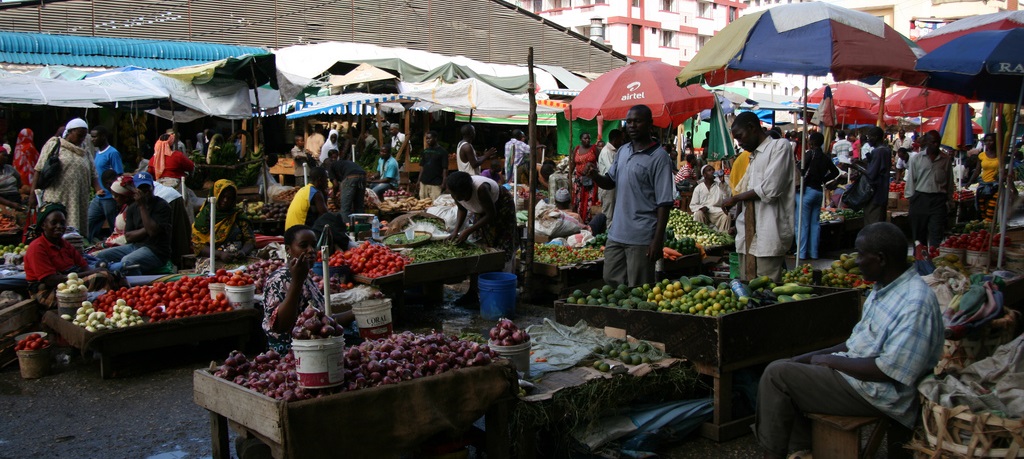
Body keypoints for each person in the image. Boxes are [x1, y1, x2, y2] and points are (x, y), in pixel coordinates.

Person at [755, 222, 943, 459]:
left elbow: (888, 371)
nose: (856, 261)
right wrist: (807, 359)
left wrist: (829, 361)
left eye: (861, 255)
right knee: (786, 366)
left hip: (880, 393)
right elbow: (856, 342)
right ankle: (800, 451)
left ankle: (777, 453)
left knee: (776, 375)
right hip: (857, 376)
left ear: (881, 259)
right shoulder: (882, 287)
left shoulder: (916, 302)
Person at [585, 105, 674, 287]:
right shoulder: (623, 151)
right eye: (629, 121)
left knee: (639, 287)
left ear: (650, 124)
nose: (632, 125)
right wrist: (595, 176)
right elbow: (610, 181)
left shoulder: (660, 158)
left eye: (637, 121)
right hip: (617, 233)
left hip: (642, 236)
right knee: (611, 280)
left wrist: (657, 241)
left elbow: (664, 203)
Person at [722, 111, 795, 281]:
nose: (740, 143)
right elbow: (743, 190)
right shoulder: (752, 156)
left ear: (752, 128)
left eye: (740, 137)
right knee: (746, 286)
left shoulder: (780, 147)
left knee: (767, 290)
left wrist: (735, 199)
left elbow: (770, 189)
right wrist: (736, 215)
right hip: (746, 233)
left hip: (769, 232)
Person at [262, 225, 354, 352]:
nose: (311, 250)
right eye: (303, 245)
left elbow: (323, 320)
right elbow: (281, 326)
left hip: (317, 345)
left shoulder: (306, 275)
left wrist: (357, 311)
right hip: (292, 353)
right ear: (288, 250)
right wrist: (297, 282)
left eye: (313, 245)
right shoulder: (280, 279)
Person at [24, 203, 116, 309]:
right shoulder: (37, 247)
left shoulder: (64, 244)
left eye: (62, 223)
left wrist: (92, 272)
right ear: (43, 225)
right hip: (48, 292)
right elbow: (50, 280)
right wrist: (92, 273)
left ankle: (106, 306)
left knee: (113, 276)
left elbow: (83, 266)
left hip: (69, 283)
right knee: (101, 277)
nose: (59, 226)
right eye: (54, 223)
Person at [446, 171, 518, 302]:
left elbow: (491, 215)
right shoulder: (456, 192)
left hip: (500, 207)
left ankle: (499, 288)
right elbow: (462, 209)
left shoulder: (481, 189)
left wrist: (467, 231)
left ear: (467, 190)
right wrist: (456, 231)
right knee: (478, 246)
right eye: (454, 195)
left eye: (459, 195)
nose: (456, 197)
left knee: (500, 245)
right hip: (482, 210)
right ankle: (473, 291)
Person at [29, 118, 103, 234]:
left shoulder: (85, 150)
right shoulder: (54, 144)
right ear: (70, 132)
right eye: (79, 135)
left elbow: (93, 173)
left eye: (84, 136)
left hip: (78, 198)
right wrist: (32, 194)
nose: (81, 139)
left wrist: (98, 189)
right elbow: (38, 169)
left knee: (74, 232)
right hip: (58, 196)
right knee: (56, 225)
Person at [92, 172, 173, 275]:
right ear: (135, 190)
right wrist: (146, 229)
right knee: (101, 256)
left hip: (156, 251)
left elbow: (152, 232)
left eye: (147, 188)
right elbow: (129, 237)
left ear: (152, 187)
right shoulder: (132, 208)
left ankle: (133, 285)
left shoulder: (162, 206)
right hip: (136, 246)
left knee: (127, 262)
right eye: (141, 189)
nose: (145, 192)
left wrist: (142, 206)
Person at [906, 130, 953, 257]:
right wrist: (911, 199)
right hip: (920, 198)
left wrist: (950, 200)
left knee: (936, 233)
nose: (936, 145)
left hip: (938, 200)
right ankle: (920, 261)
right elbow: (911, 180)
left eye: (938, 142)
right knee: (919, 235)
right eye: (933, 142)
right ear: (927, 142)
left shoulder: (945, 159)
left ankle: (934, 260)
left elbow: (949, 181)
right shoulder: (917, 159)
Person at [796, 132, 840, 260]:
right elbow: (835, 171)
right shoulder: (825, 157)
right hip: (818, 192)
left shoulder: (809, 154)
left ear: (812, 142)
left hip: (807, 191)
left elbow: (799, 169)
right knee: (815, 224)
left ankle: (802, 253)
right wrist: (824, 180)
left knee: (803, 224)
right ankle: (814, 253)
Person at [192, 179, 256, 263]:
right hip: (212, 260)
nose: (225, 200)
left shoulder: (238, 215)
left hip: (237, 259)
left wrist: (243, 252)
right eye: (222, 197)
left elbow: (250, 240)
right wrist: (220, 254)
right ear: (215, 196)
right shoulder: (204, 217)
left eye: (229, 198)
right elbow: (198, 246)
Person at [86, 126, 124, 244]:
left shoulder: (112, 153)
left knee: (114, 224)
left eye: (94, 137)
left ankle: (117, 245)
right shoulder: (97, 153)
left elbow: (118, 174)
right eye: (91, 137)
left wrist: (113, 192)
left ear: (103, 136)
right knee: (89, 221)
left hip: (109, 198)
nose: (92, 139)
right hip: (99, 197)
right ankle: (88, 243)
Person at [856, 126, 892, 226]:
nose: (868, 139)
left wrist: (857, 167)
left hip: (875, 193)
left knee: (872, 224)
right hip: (882, 193)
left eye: (870, 137)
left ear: (875, 137)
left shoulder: (878, 151)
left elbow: (871, 174)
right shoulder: (886, 150)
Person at [690, 165, 732, 234]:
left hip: (717, 211)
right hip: (705, 212)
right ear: (704, 175)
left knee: (727, 215)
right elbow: (693, 205)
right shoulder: (699, 188)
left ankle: (723, 236)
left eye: (713, 170)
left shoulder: (719, 185)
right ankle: (701, 235)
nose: (712, 171)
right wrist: (700, 208)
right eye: (709, 170)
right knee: (698, 214)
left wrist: (723, 183)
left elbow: (727, 197)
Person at [968, 134, 1001, 221]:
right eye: (986, 141)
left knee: (991, 209)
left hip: (996, 186)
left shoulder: (1000, 155)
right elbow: (977, 171)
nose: (988, 143)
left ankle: (990, 225)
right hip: (983, 185)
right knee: (981, 209)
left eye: (991, 140)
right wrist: (969, 182)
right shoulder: (982, 155)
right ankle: (985, 227)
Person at [100, 176, 135, 248]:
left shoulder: (133, 211)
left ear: (125, 196)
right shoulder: (125, 207)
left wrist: (106, 244)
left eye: (116, 196)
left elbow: (127, 237)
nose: (113, 198)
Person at [572, 133, 599, 223]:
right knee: (578, 200)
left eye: (589, 138)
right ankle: (579, 220)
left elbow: (600, 162)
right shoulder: (577, 149)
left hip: (591, 179)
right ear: (581, 139)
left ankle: (589, 221)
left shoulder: (594, 149)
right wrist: (569, 175)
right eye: (585, 138)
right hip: (579, 179)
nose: (587, 140)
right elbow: (572, 163)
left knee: (589, 200)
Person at [597, 129, 623, 223]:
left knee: (612, 212)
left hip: (612, 187)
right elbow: (612, 171)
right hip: (608, 187)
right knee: (609, 214)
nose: (621, 142)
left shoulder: (614, 151)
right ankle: (607, 234)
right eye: (621, 140)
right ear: (615, 140)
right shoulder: (607, 152)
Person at [417, 130, 447, 201]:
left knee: (435, 204)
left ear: (435, 138)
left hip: (436, 183)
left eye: (429, 138)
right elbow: (422, 167)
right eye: (426, 139)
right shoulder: (425, 151)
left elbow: (445, 169)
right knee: (423, 203)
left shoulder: (442, 152)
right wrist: (419, 180)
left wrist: (444, 182)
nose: (427, 140)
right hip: (424, 183)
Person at [0, 146, 24, 210]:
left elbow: (19, 181)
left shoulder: (9, 168)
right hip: (4, 200)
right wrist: (11, 204)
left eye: (7, 156)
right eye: (4, 155)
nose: (6, 158)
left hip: (15, 197)